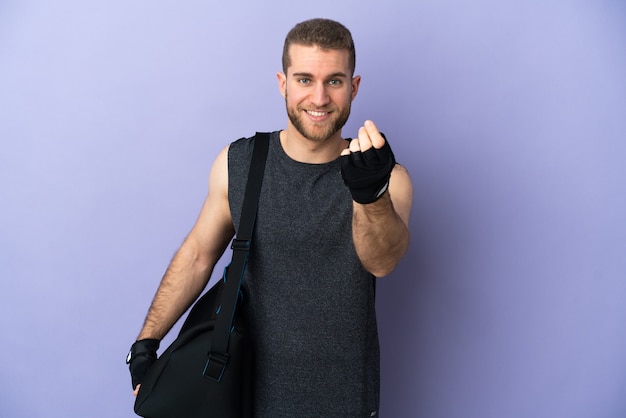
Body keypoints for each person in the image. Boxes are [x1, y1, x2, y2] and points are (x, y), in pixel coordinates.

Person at [127, 18, 412, 417]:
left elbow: (381, 262)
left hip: (345, 399)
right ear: (282, 83)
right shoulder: (240, 163)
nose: (319, 97)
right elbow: (197, 255)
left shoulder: (388, 178)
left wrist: (369, 194)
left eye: (334, 81)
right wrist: (145, 343)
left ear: (354, 86)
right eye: (304, 79)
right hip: (243, 395)